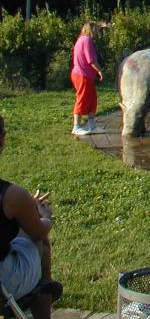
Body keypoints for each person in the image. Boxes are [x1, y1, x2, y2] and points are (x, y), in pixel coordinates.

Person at [0, 115, 62, 319]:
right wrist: (44, 215)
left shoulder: (15, 197)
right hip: (4, 282)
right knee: (40, 241)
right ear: (2, 140)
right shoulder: (11, 195)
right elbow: (39, 229)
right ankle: (45, 288)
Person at [70, 22, 103, 135]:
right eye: (95, 29)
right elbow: (91, 60)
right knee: (82, 98)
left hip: (83, 74)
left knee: (92, 99)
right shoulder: (87, 40)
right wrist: (99, 71)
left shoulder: (80, 40)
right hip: (82, 75)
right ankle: (76, 127)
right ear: (90, 29)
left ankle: (91, 126)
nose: (97, 32)